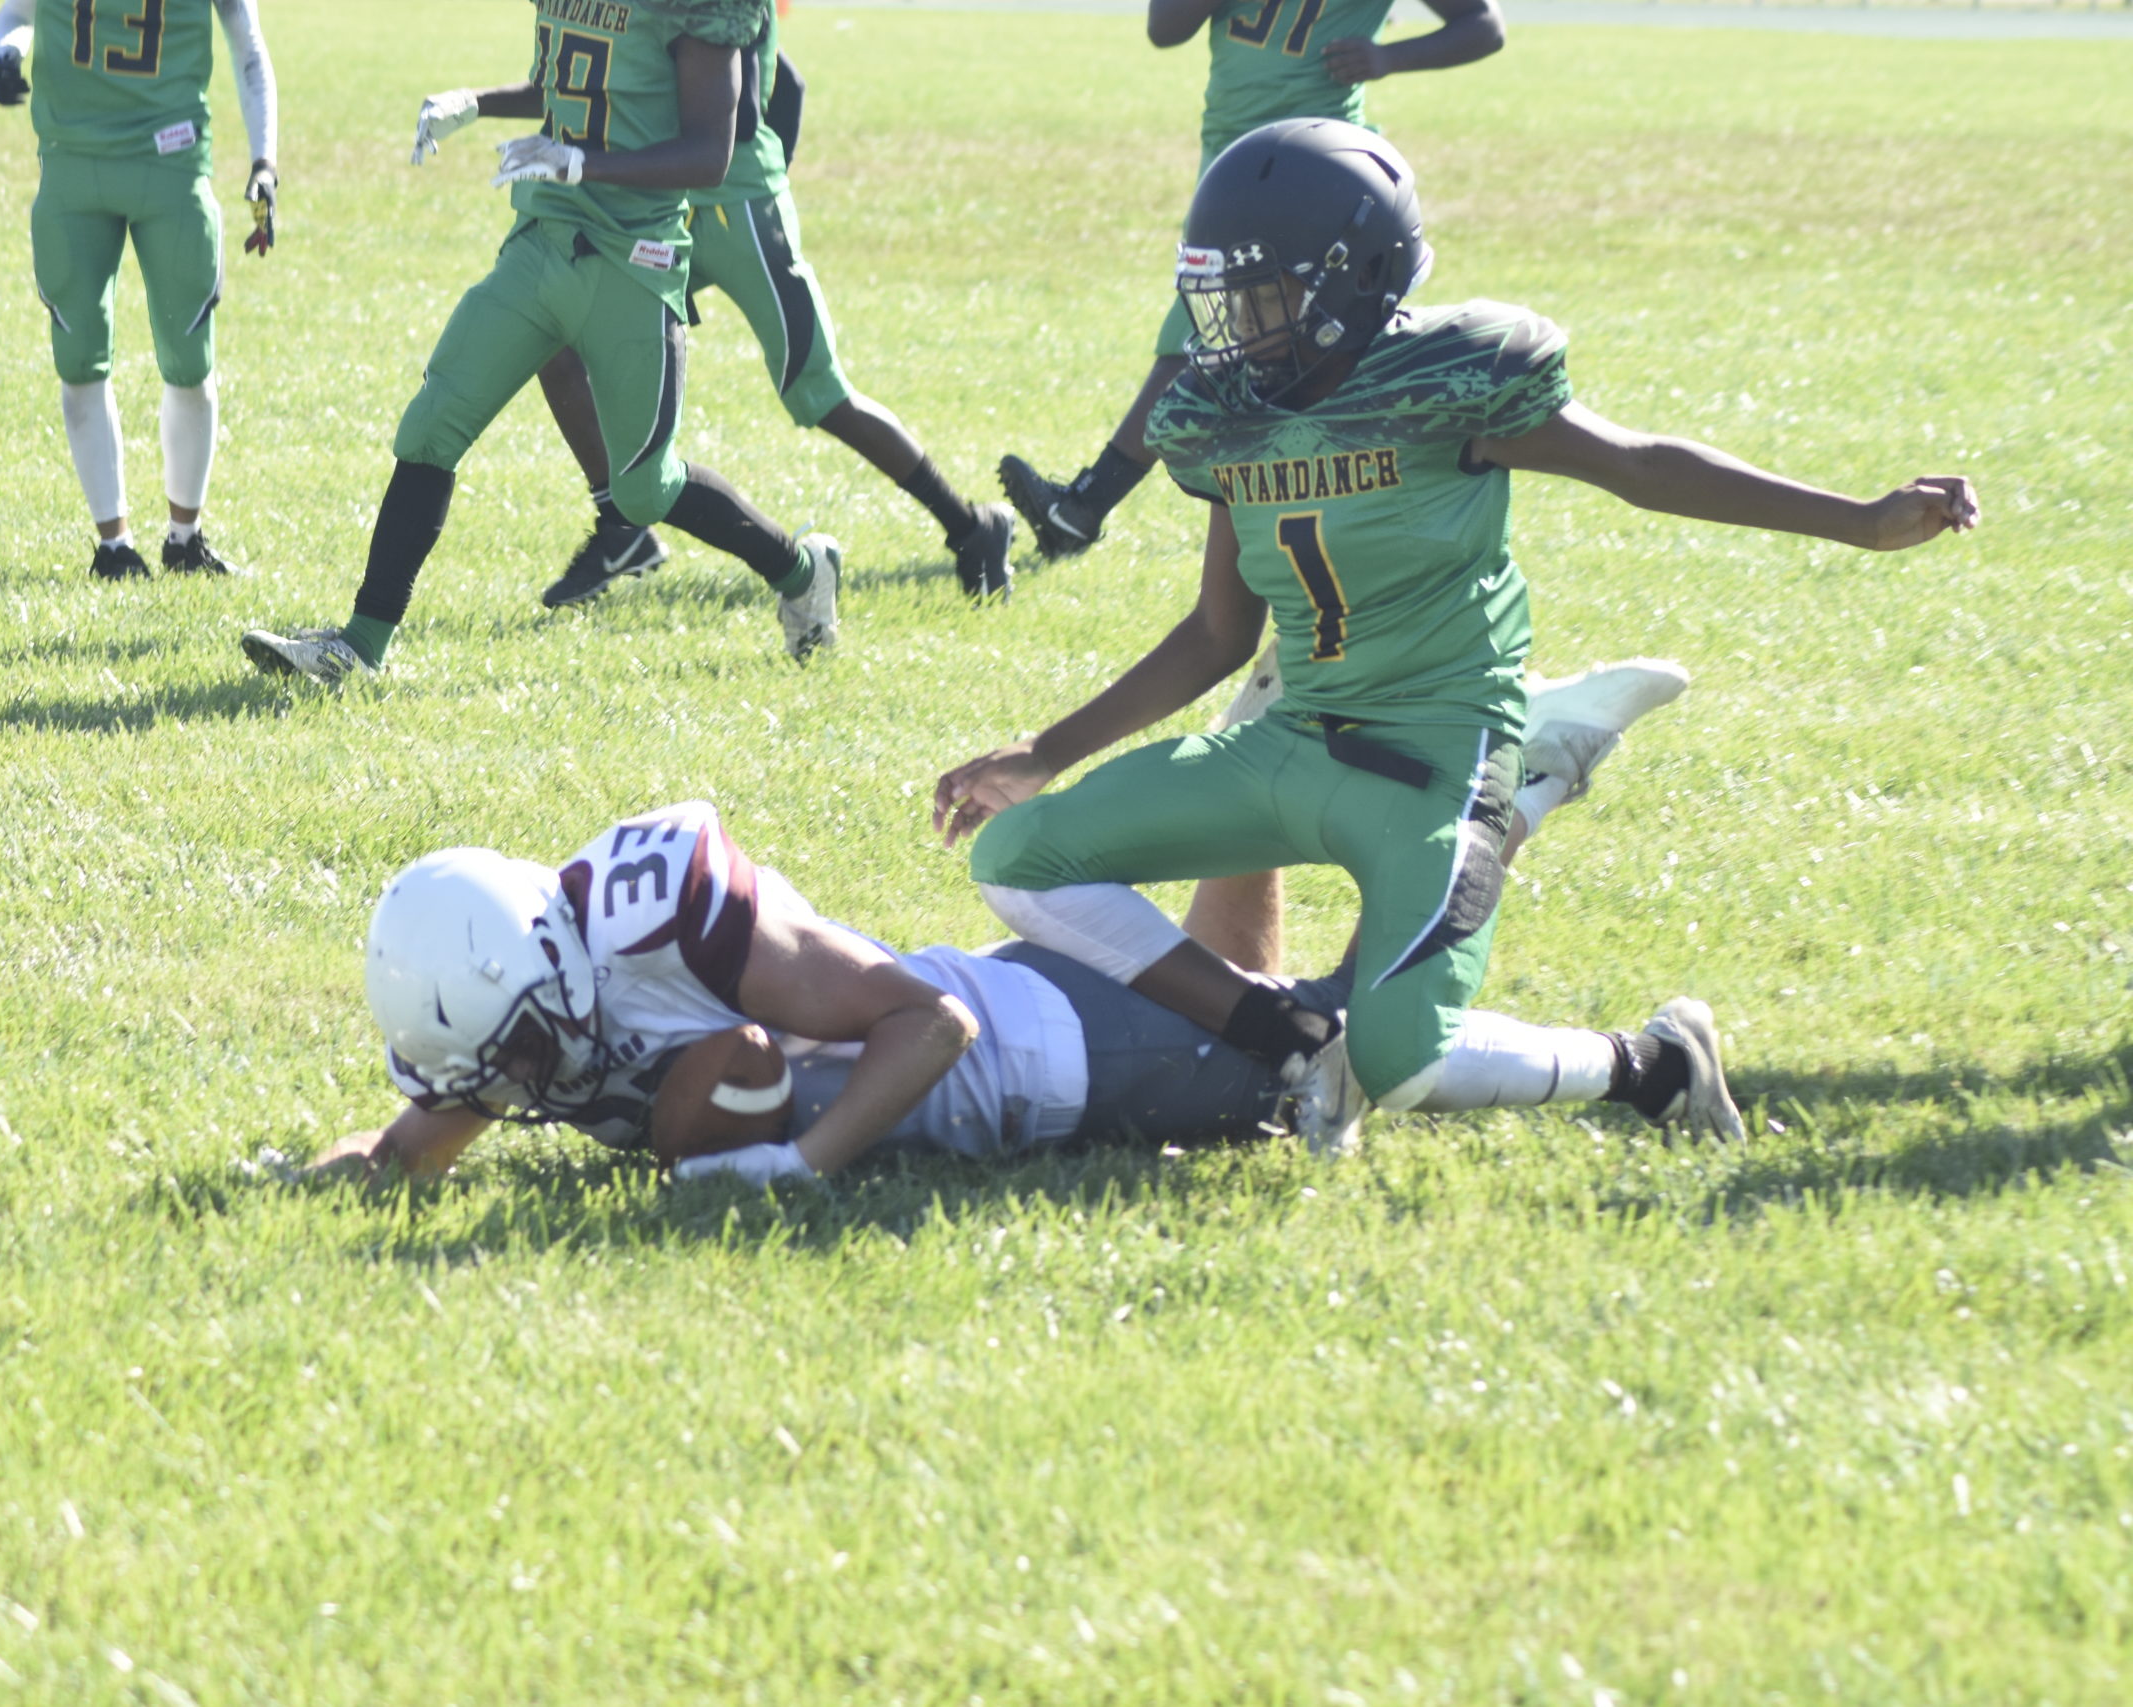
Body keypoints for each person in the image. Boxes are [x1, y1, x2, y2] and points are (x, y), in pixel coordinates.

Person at [936, 119, 1979, 1154]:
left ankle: (1654, 1063)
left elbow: (1640, 464)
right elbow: (1219, 632)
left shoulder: (1448, 383)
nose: (1239, 330)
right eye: (1227, 299)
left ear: (1355, 281)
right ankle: (1298, 1042)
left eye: (1266, 299)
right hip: (1292, 743)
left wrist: (1857, 519)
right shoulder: (1225, 412)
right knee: (1020, 857)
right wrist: (1044, 752)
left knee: (1408, 1063)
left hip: (1436, 759)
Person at [240, 0, 843, 685]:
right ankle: (359, 646)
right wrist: (474, 102)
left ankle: (801, 571)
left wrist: (581, 164)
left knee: (645, 489)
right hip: (543, 241)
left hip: (633, 260)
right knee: (432, 429)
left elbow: (709, 153)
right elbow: (572, 89)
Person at [308, 800, 1337, 1191]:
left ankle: (1487, 810)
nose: (517, 1094)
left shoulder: (667, 917)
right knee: (1238, 990)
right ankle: (1254, 783)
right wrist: (308, 1176)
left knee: (1350, 1054)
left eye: (522, 1059)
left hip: (1036, 1063)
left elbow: (935, 1025)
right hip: (1028, 1024)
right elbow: (404, 1150)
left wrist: (795, 1165)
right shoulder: (519, 1005)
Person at [520, 16, 1017, 608]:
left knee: (819, 391)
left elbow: (779, 86)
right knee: (557, 336)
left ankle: (969, 526)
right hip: (657, 207)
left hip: (737, 212)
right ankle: (621, 526)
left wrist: (764, 184)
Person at [1000, 0, 1504, 563]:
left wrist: (1387, 57)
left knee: (1247, 335)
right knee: (1257, 337)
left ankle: (1087, 505)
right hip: (1230, 155)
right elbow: (1164, 29)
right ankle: (1337, 488)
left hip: (1317, 161)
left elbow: (1483, 25)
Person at [0, 0, 278, 580]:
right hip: (73, 165)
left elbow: (250, 48)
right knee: (79, 360)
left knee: (190, 360)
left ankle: (184, 538)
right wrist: (5, 53)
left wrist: (265, 160)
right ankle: (113, 545)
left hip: (170, 167)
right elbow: (14, 12)